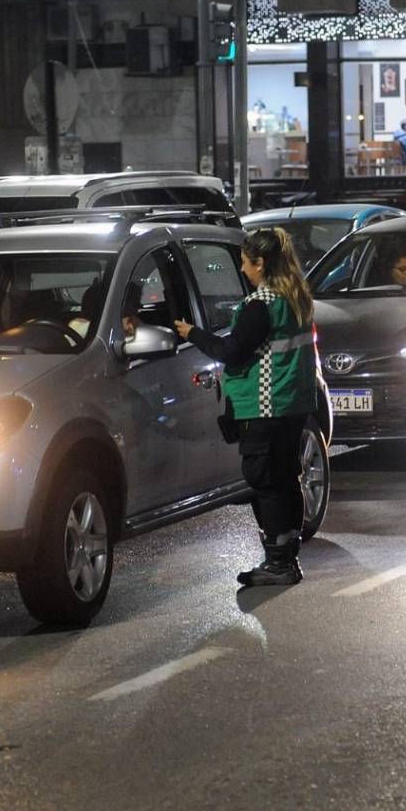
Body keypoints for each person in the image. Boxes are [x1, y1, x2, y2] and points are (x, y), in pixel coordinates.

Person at [173, 228, 318, 588]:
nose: (241, 269)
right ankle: (287, 557)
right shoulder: (295, 298)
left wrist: (192, 333)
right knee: (285, 479)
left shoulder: (262, 304)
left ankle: (278, 562)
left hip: (265, 405)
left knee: (264, 481)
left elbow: (232, 351)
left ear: (261, 263)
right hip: (293, 403)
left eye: (244, 261)